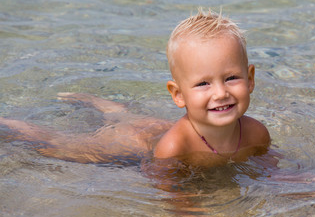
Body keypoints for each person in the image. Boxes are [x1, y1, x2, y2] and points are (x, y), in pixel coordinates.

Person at [0, 9, 270, 167]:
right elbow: (164, 186)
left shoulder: (257, 133)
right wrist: (187, 208)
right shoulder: (174, 148)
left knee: (131, 119)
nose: (221, 93)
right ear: (178, 95)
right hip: (136, 146)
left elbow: (269, 167)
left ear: (250, 79)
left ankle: (104, 105)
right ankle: (10, 127)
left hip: (156, 127)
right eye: (203, 83)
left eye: (231, 78)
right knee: (66, 147)